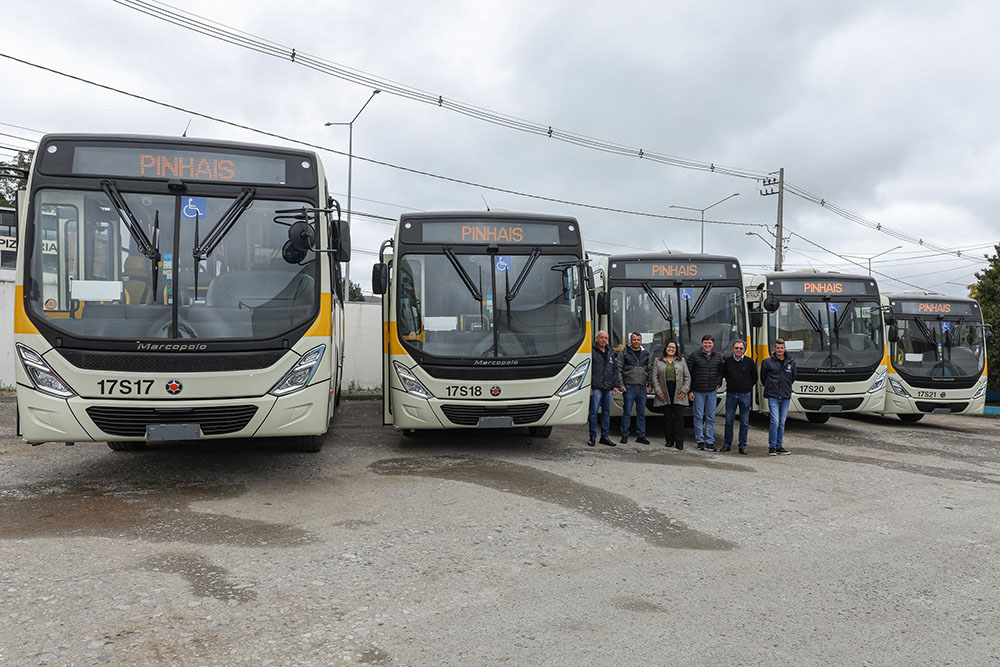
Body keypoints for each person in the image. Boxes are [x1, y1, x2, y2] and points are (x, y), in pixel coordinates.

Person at [686, 334, 724, 451]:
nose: (707, 345)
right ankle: (700, 441)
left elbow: (721, 372)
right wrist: (690, 390)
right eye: (705, 342)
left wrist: (718, 383)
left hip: (712, 391)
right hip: (698, 392)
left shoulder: (718, 356)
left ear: (713, 344)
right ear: (702, 343)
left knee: (710, 417)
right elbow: (688, 374)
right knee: (698, 417)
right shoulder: (694, 356)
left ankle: (710, 441)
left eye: (710, 343)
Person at [760, 338, 797, 455]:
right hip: (773, 396)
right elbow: (763, 377)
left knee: (782, 422)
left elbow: (793, 377)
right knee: (774, 422)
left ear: (785, 348)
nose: (780, 350)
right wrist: (772, 387)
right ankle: (772, 447)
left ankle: (779, 446)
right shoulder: (767, 362)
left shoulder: (791, 361)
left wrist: (785, 387)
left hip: (785, 396)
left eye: (782, 348)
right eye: (778, 348)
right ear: (774, 348)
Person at [651, 340, 690, 449]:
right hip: (665, 391)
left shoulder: (682, 361)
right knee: (667, 417)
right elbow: (654, 378)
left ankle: (679, 442)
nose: (671, 349)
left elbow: (687, 377)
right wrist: (659, 392)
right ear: (665, 348)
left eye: (673, 347)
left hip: (678, 391)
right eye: (669, 347)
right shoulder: (657, 361)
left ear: (676, 350)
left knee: (679, 417)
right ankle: (669, 440)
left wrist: (684, 390)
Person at [721, 340, 758, 455]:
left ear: (744, 350)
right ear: (733, 349)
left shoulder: (749, 362)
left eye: (741, 348)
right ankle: (727, 444)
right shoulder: (727, 361)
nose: (738, 350)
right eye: (736, 348)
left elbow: (754, 378)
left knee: (744, 422)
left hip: (745, 395)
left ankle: (742, 446)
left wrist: (745, 386)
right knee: (728, 421)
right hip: (731, 394)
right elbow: (724, 374)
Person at [616, 332, 652, 445]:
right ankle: (624, 435)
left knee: (641, 413)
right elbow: (618, 370)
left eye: (638, 340)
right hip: (629, 387)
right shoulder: (624, 353)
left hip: (642, 388)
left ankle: (641, 435)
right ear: (630, 341)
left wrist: (650, 385)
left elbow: (650, 370)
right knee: (627, 412)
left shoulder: (646, 354)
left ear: (641, 341)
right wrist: (621, 385)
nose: (636, 341)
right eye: (634, 339)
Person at [588, 329, 619, 447]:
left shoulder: (611, 351)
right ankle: (592, 437)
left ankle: (604, 437)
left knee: (606, 412)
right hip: (596, 386)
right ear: (597, 338)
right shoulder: (591, 351)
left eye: (606, 338)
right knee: (594, 413)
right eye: (602, 337)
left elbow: (615, 369)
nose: (604, 340)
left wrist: (615, 385)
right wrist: (589, 386)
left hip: (609, 387)